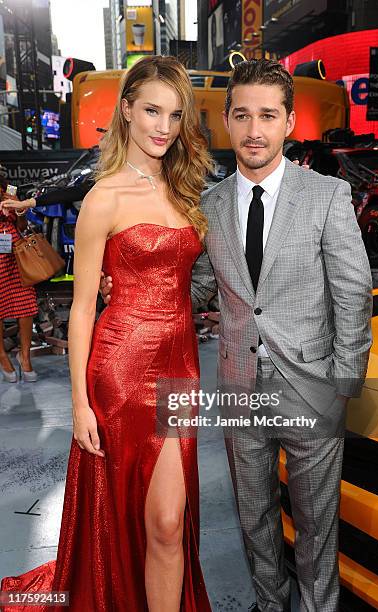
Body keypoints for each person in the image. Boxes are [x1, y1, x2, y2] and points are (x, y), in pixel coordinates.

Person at [101, 59, 373, 612]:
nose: (254, 130)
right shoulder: (211, 205)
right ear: (225, 120)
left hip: (312, 386)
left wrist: (345, 382)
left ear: (290, 122)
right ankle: (270, 604)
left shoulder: (325, 196)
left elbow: (353, 292)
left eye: (268, 116)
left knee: (318, 524)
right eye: (243, 115)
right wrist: (131, 285)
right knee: (254, 516)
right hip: (240, 386)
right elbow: (196, 285)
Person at [1, 56, 212, 611]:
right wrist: (79, 404)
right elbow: (81, 308)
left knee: (169, 521)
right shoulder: (104, 197)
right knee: (131, 513)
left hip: (180, 370)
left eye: (172, 114)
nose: (162, 126)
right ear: (126, 111)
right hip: (119, 369)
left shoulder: (190, 192)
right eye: (150, 110)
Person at [0, 175, 38, 383]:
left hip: (15, 251)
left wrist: (18, 209)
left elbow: (22, 226)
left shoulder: (9, 188)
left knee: (26, 303)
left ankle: (24, 355)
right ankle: (2, 355)